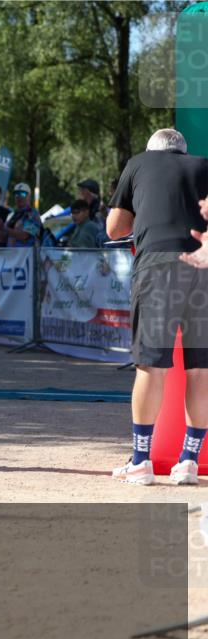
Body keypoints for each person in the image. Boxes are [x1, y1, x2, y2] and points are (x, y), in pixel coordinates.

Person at [106, 128, 208, 485]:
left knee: (151, 366)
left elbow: (115, 227)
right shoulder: (204, 166)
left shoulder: (138, 164)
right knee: (201, 369)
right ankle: (189, 462)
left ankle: (141, 461)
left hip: (158, 265)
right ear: (183, 151)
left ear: (152, 150)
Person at [3, 182, 43, 247]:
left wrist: (5, 228)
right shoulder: (11, 215)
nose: (19, 197)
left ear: (29, 196)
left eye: (23, 194)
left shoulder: (33, 214)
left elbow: (25, 236)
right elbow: (3, 239)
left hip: (28, 256)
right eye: (16, 194)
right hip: (11, 256)